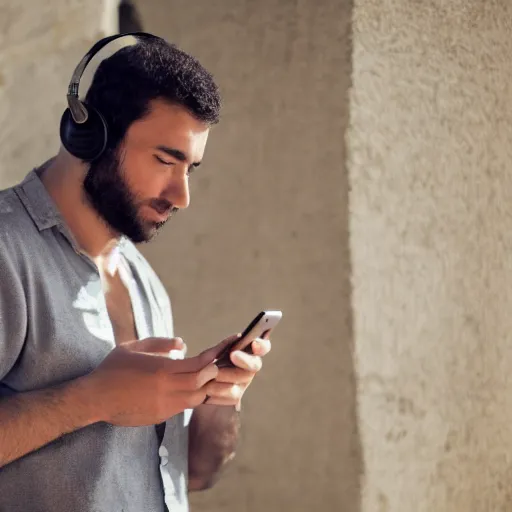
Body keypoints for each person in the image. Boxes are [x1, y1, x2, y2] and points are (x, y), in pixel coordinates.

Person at [0, 32, 271, 512]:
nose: (182, 195)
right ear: (89, 136)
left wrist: (220, 399)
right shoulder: (7, 254)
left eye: (191, 169)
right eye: (166, 160)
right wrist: (90, 400)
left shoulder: (144, 281)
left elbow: (198, 475)